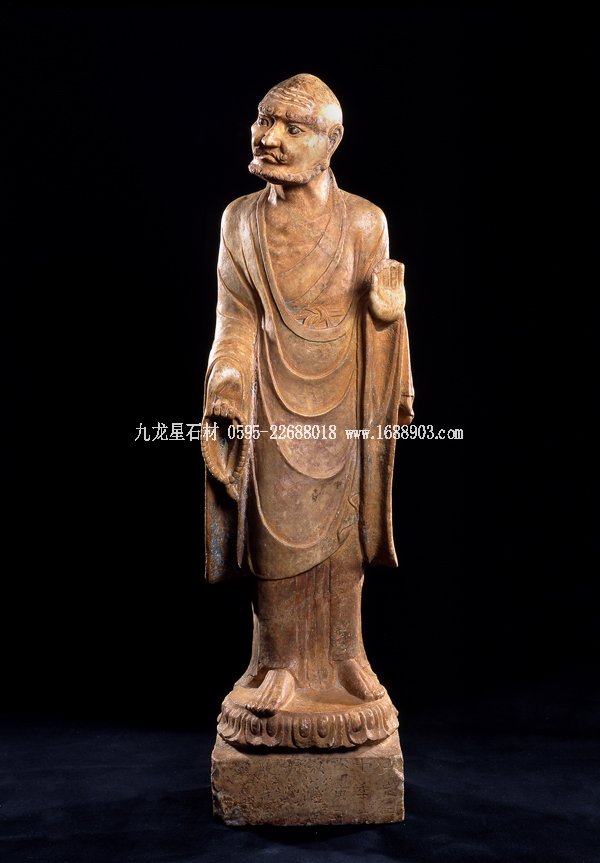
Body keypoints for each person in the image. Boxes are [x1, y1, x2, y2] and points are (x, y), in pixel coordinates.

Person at [202, 74, 414, 727]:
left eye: (293, 128)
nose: (269, 137)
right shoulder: (240, 220)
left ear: (332, 141)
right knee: (274, 532)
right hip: (271, 394)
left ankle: (347, 655)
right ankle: (280, 662)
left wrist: (389, 316)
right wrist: (227, 386)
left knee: (347, 535)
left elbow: (382, 313)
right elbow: (235, 318)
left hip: (347, 396)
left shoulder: (364, 221)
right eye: (264, 120)